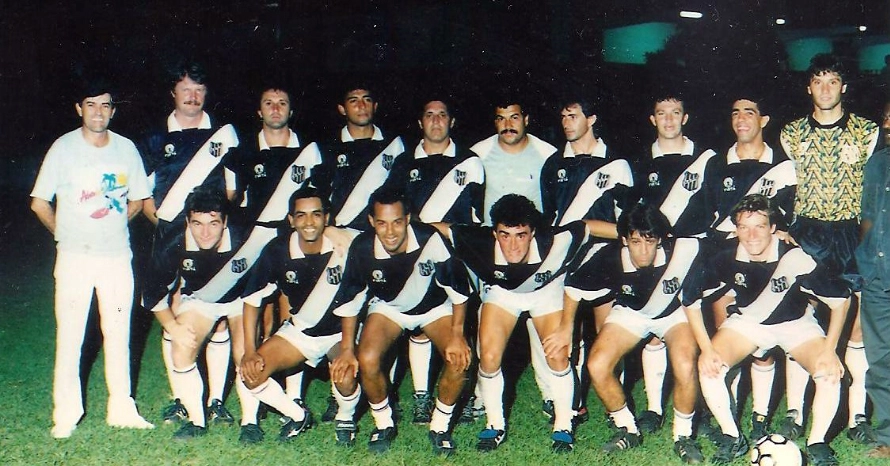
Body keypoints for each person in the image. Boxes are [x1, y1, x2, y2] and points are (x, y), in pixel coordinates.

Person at [685, 194, 849, 466]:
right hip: (749, 323)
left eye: (760, 226)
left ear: (773, 227)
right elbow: (689, 299)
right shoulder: (725, 258)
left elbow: (841, 301)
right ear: (735, 229)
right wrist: (707, 349)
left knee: (830, 373)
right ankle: (732, 437)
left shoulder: (796, 256)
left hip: (795, 324)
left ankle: (817, 443)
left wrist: (830, 350)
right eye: (743, 227)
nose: (751, 235)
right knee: (709, 367)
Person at [31, 79, 154, 439]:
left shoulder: (127, 149)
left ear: (113, 110)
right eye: (91, 105)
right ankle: (66, 413)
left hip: (116, 257)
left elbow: (136, 199)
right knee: (71, 335)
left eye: (105, 105)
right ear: (79, 108)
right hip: (73, 259)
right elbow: (39, 202)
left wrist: (112, 225)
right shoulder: (63, 148)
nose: (98, 112)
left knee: (118, 333)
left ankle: (122, 408)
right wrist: (63, 233)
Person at [433, 194, 590, 452]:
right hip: (504, 294)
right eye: (505, 235)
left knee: (558, 354)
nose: (513, 245)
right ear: (494, 233)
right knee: (490, 356)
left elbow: (588, 226)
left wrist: (632, 232)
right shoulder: (479, 241)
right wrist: (406, 225)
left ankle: (563, 425)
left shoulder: (556, 241)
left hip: (546, 293)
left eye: (521, 235)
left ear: (533, 233)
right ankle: (495, 425)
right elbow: (441, 229)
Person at [780, 53, 879, 444]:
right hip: (808, 233)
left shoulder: (866, 131)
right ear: (808, 87)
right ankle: (794, 410)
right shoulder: (791, 134)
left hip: (850, 234)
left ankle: (856, 416)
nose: (825, 89)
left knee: (854, 324)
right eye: (818, 82)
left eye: (832, 81)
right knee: (800, 316)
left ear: (844, 87)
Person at [331, 187, 472, 456]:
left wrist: (457, 334)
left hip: (434, 308)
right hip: (390, 308)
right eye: (382, 223)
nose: (391, 232)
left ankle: (439, 426)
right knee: (368, 358)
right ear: (371, 222)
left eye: (397, 221)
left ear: (408, 218)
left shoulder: (430, 238)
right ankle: (383, 423)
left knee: (459, 359)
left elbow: (459, 291)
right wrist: (347, 348)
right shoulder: (362, 247)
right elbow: (350, 301)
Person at [562, 203, 704, 463]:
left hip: (673, 315)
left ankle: (683, 436)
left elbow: (722, 246)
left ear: (660, 240)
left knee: (685, 364)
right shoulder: (610, 255)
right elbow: (573, 287)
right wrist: (564, 329)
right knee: (597, 365)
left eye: (650, 242)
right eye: (636, 242)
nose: (643, 251)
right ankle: (627, 428)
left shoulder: (680, 250)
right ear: (625, 240)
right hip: (631, 314)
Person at [140, 62, 239, 425]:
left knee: (219, 319)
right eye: (186, 90)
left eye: (199, 90)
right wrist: (172, 229)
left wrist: (212, 229)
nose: (193, 97)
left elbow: (231, 188)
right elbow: (144, 195)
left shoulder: (224, 136)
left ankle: (215, 400)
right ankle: (182, 399)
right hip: (171, 240)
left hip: (212, 238)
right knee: (176, 313)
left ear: (206, 94)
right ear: (173, 93)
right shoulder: (154, 139)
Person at [217, 85, 324, 414]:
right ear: (259, 111)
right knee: (261, 318)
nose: (276, 109)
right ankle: (260, 393)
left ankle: (294, 395)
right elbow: (230, 201)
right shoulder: (244, 150)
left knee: (294, 315)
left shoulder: (309, 151)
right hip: (258, 244)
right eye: (269, 103)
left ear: (291, 111)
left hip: (295, 242)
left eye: (282, 103)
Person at [384, 99, 484, 424]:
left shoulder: (469, 162)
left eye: (442, 115)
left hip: (457, 255)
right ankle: (421, 396)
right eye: (429, 114)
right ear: (420, 122)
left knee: (463, 326)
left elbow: (476, 219)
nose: (436, 121)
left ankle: (465, 397)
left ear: (451, 122)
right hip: (417, 258)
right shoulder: (403, 164)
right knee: (421, 324)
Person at [704, 93, 797, 439]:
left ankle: (760, 416)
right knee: (727, 341)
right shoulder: (717, 164)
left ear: (764, 120)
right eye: (735, 112)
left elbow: (788, 221)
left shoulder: (784, 166)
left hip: (767, 266)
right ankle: (725, 415)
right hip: (727, 264)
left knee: (763, 347)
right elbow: (711, 217)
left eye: (750, 112)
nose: (741, 118)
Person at [238, 187, 361, 446]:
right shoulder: (277, 250)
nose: (309, 222)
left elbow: (351, 303)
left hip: (338, 333)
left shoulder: (345, 245)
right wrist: (249, 349)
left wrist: (348, 349)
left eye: (316, 215)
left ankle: (345, 417)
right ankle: (297, 415)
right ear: (291, 220)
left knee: (346, 376)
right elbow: (252, 300)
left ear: (327, 218)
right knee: (251, 372)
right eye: (301, 215)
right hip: (300, 331)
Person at [630, 94, 717, 435]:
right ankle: (653, 408)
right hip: (657, 257)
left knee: (699, 333)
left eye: (675, 113)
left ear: (685, 117)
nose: (668, 119)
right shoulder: (641, 161)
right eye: (661, 113)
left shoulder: (705, 159)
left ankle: (704, 408)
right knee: (655, 333)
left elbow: (713, 209)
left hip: (695, 255)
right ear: (652, 119)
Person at [470, 95, 560, 423]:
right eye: (500, 118)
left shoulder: (548, 154)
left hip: (534, 253)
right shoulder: (478, 155)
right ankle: (481, 397)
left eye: (514, 117)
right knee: (487, 326)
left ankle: (552, 395)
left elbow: (554, 207)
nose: (508, 124)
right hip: (495, 254)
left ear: (527, 119)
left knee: (543, 328)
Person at [143, 187, 254, 441]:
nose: (204, 232)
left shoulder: (244, 234)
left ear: (225, 222)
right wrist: (174, 327)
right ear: (187, 221)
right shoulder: (173, 240)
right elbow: (152, 293)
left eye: (213, 223)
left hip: (240, 300)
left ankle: (250, 422)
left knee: (246, 354)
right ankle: (197, 421)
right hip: (201, 301)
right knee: (181, 348)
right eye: (197, 223)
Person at [314, 85, 405, 231]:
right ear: (342, 109)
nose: (361, 106)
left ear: (375, 106)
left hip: (385, 233)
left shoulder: (394, 145)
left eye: (366, 100)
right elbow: (319, 195)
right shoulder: (327, 148)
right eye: (353, 101)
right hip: (340, 234)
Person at [854, 100, 890, 459]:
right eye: (888, 115)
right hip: (877, 277)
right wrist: (866, 257)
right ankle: (888, 435)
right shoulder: (877, 163)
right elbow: (867, 214)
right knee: (880, 361)